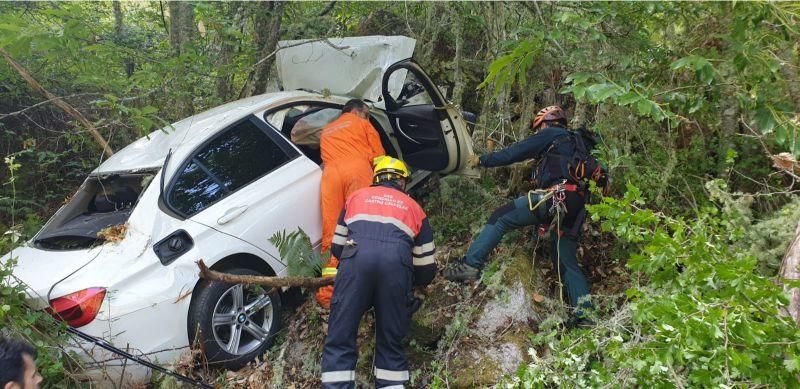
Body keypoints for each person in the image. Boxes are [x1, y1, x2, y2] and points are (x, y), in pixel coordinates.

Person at [443, 105, 608, 324]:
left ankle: (470, 265)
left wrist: (483, 160)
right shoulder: (578, 147)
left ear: (546, 124)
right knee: (565, 259)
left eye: (538, 129)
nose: (538, 134)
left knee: (501, 216)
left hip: (555, 196)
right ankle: (586, 316)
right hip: (576, 206)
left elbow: (515, 152)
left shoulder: (552, 134)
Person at [321, 157, 436, 389]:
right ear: (402, 182)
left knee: (340, 336)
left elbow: (336, 247)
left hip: (355, 263)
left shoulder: (356, 197)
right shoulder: (414, 208)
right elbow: (425, 268)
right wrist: (411, 286)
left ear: (376, 179)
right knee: (391, 340)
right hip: (396, 269)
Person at [316, 99, 387, 309]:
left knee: (332, 231)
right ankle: (367, 280)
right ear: (358, 111)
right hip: (356, 170)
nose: (368, 118)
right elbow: (379, 156)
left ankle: (328, 292)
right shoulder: (362, 124)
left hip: (330, 176)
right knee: (361, 224)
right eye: (367, 114)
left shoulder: (327, 130)